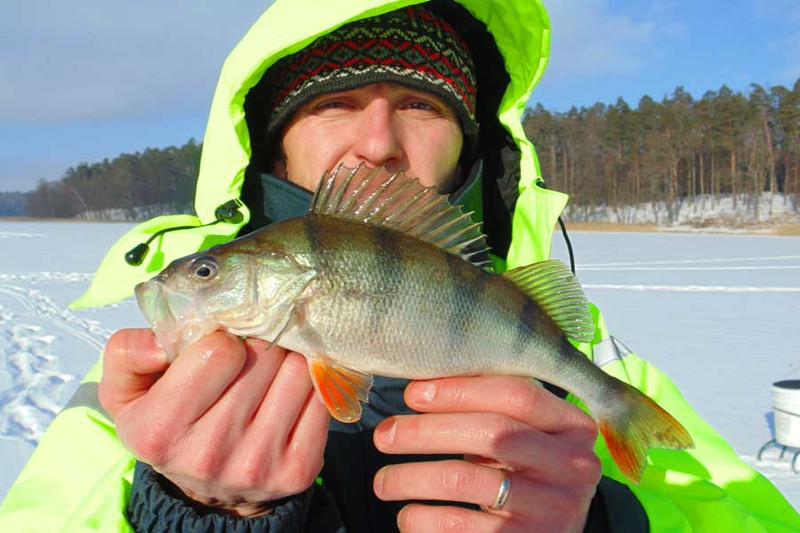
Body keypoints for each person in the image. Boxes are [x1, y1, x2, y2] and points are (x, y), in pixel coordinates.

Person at [1, 1, 798, 531]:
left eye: (421, 105)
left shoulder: (609, 368)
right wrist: (182, 510)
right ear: (273, 141)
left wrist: (602, 519)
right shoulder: (131, 403)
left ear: (470, 141)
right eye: (333, 103)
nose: (378, 141)